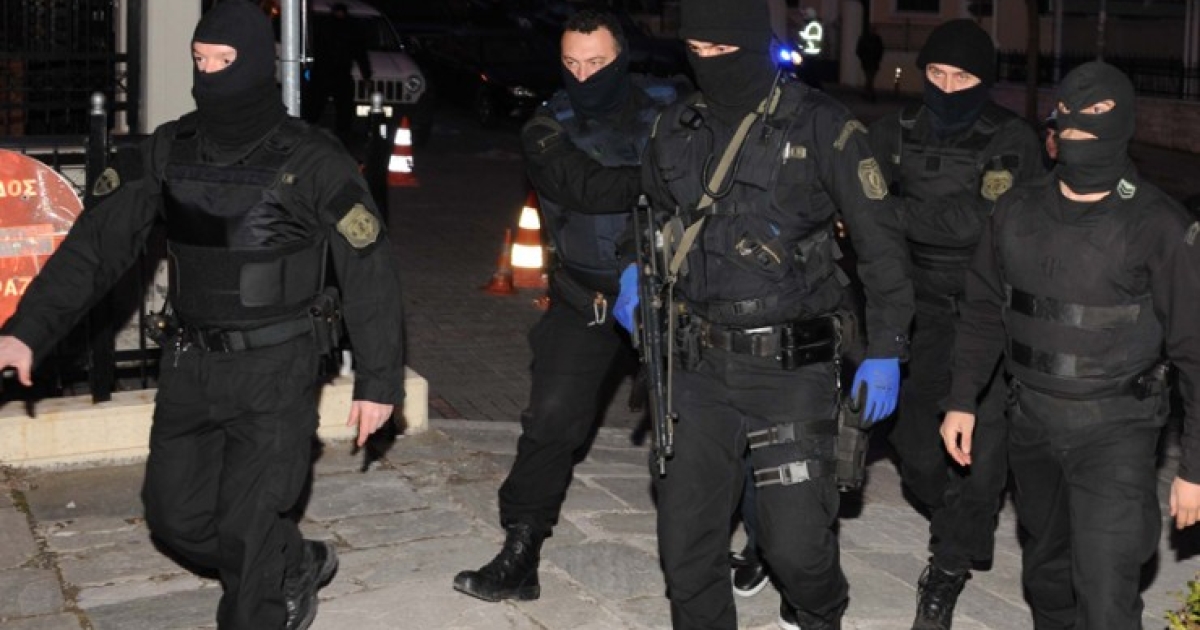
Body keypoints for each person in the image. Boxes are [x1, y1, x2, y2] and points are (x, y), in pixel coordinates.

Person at [0, 2, 405, 629]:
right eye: (200, 59)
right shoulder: (169, 148)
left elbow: (368, 266)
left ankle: (262, 589)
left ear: (258, 65)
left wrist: (378, 380)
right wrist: (28, 331)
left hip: (278, 368)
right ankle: (290, 561)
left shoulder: (312, 158)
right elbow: (96, 247)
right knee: (175, 519)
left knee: (246, 526)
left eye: (225, 60)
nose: (210, 73)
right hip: (190, 364)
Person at [614, 0, 914, 627]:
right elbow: (646, 214)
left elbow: (882, 246)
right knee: (685, 547)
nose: (710, 62)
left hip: (789, 366)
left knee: (795, 547)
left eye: (723, 50)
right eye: (698, 50)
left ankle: (820, 613)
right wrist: (633, 272)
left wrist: (887, 347)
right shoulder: (676, 124)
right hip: (694, 361)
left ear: (753, 44)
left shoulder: (822, 126)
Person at [941, 60, 1200, 629]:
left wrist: (1195, 468)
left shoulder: (1158, 224)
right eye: (1069, 125)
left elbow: (1194, 351)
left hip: (1118, 431)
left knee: (1106, 590)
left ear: (1122, 125)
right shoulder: (1016, 209)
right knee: (1048, 579)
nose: (1079, 137)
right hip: (1031, 425)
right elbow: (983, 309)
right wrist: (962, 399)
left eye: (1094, 123)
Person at [452, 8, 679, 603]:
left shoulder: (669, 108)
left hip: (671, 295)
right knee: (551, 421)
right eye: (571, 64)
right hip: (588, 300)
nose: (583, 77)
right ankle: (521, 549)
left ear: (622, 58)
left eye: (596, 63)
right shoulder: (547, 125)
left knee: (709, 425)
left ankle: (743, 546)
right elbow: (587, 188)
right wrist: (666, 174)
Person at [866, 18, 1044, 630]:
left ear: (984, 81)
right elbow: (858, 203)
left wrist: (893, 212)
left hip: (986, 310)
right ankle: (959, 520)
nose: (945, 87)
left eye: (961, 77)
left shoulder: (1011, 139)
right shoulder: (894, 130)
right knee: (916, 447)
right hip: (916, 306)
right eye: (936, 74)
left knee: (981, 456)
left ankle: (947, 565)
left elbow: (978, 222)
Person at [303, 2, 372, 138]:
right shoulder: (325, 26)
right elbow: (313, 48)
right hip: (323, 73)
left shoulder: (350, 29)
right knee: (316, 106)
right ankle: (309, 130)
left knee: (343, 109)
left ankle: (342, 134)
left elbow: (360, 53)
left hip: (340, 74)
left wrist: (366, 75)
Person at [856, 26, 884, 103]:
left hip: (872, 62)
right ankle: (870, 94)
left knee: (870, 78)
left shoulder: (875, 39)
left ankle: (866, 93)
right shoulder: (869, 39)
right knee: (870, 78)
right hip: (869, 62)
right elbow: (859, 50)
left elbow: (880, 50)